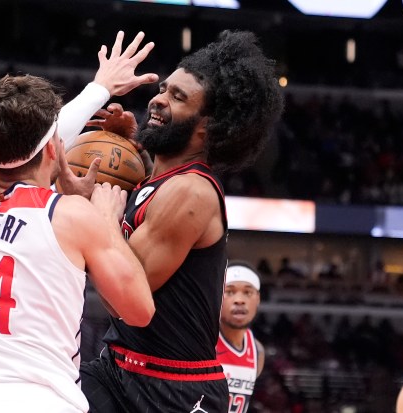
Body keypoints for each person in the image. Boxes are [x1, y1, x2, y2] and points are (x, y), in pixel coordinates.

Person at [78, 30, 284, 412]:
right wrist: (125, 149)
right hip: (118, 366)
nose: (158, 99)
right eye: (165, 89)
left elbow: (121, 298)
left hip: (174, 390)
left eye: (177, 97)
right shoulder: (155, 178)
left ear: (208, 125)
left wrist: (102, 218)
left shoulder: (192, 193)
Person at [0, 72, 157, 411]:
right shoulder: (73, 216)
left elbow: (9, 160)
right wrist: (106, 220)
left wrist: (98, 91)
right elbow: (139, 311)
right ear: (53, 146)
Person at [216, 261, 265, 413]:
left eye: (247, 292)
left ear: (257, 299)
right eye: (229, 292)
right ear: (217, 296)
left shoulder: (257, 351)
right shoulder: (202, 342)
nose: (239, 300)